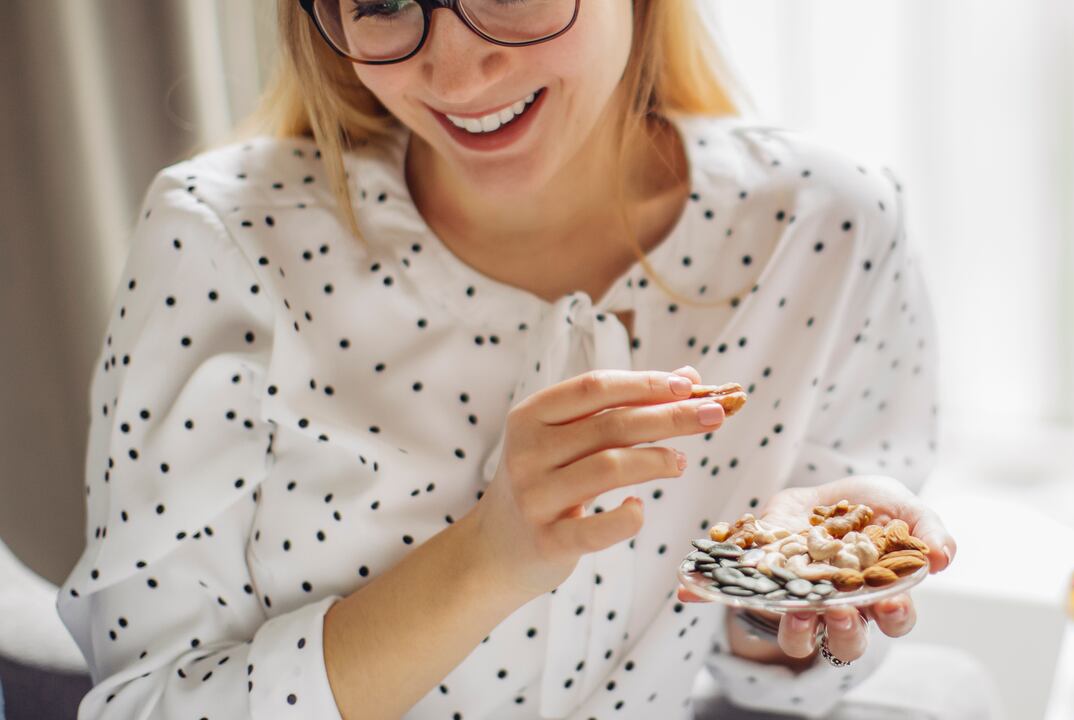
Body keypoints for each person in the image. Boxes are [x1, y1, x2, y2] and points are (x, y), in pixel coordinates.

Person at [56, 1, 956, 718]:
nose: (452, 71)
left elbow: (764, 677)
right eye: (381, 1)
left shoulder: (829, 227)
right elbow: (146, 703)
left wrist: (780, 598)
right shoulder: (223, 240)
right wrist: (487, 561)